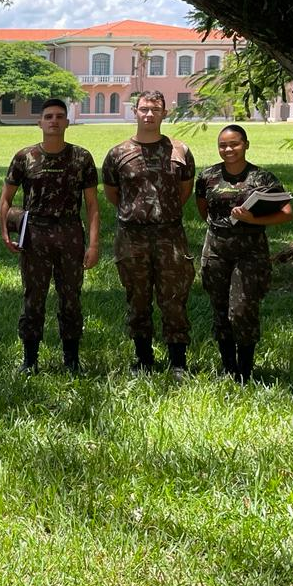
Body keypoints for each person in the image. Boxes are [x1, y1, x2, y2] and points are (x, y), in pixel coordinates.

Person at [0, 98, 100, 373]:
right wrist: (6, 232)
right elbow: (6, 198)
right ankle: (30, 360)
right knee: (34, 296)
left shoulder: (82, 157)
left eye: (59, 116)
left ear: (67, 122)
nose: (54, 121)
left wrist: (93, 243)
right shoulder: (25, 157)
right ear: (40, 122)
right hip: (35, 234)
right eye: (48, 116)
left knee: (71, 297)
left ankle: (72, 360)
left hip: (70, 232)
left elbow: (91, 205)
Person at [101, 90, 196, 374]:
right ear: (135, 111)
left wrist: (161, 213)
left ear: (164, 113)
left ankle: (178, 362)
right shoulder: (118, 153)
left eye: (155, 109)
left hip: (170, 236)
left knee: (174, 299)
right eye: (144, 109)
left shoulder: (180, 150)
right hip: (132, 238)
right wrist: (139, 214)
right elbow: (112, 193)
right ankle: (143, 360)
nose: (149, 114)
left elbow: (185, 190)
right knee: (137, 299)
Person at [194, 124, 293, 381]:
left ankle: (245, 371)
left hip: (250, 252)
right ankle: (228, 368)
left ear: (246, 144)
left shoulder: (263, 178)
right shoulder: (208, 176)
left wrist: (251, 220)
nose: (229, 149)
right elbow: (203, 207)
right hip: (215, 251)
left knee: (242, 310)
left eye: (234, 144)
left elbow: (286, 213)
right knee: (220, 308)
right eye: (223, 145)